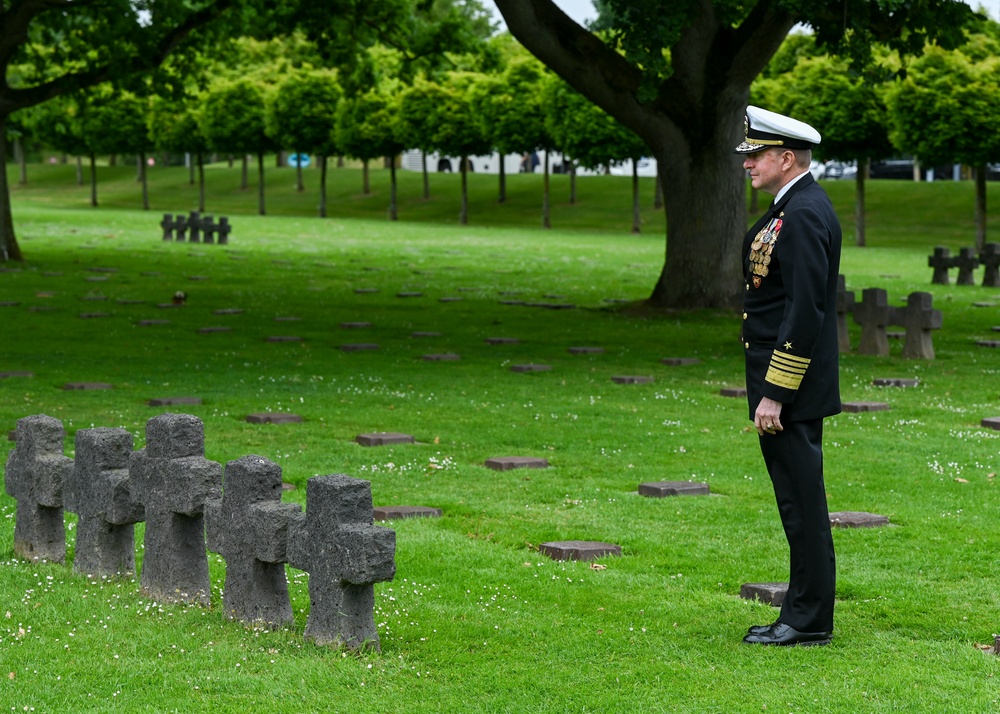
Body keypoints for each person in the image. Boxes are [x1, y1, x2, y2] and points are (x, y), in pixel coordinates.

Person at [734, 106, 842, 647]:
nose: (748, 164)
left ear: (786, 157)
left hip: (792, 389)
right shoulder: (794, 205)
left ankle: (807, 619)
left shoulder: (801, 212)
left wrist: (775, 393)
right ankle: (802, 612)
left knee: (802, 505)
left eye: (755, 155)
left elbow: (804, 311)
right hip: (789, 386)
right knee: (795, 503)